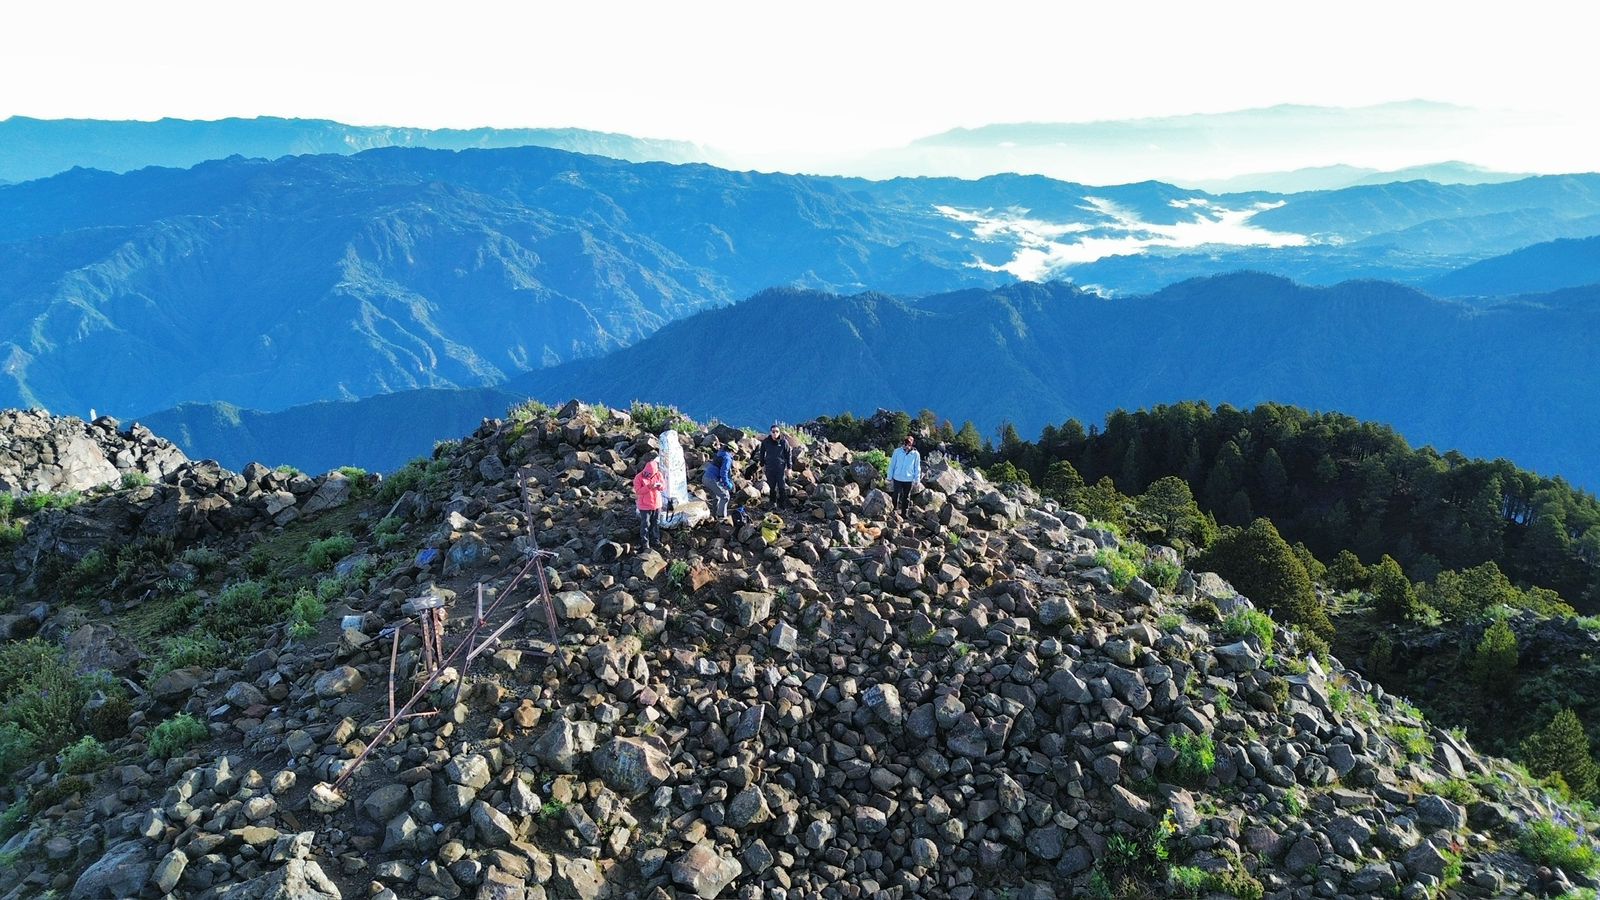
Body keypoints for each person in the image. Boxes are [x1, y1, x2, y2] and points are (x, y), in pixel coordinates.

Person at [633, 453, 666, 552]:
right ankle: (645, 543)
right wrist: (649, 487)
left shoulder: (658, 474)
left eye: (649, 474)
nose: (647, 475)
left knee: (656, 523)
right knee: (645, 524)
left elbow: (663, 487)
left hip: (656, 504)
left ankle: (655, 540)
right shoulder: (638, 477)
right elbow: (638, 491)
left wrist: (659, 486)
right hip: (644, 506)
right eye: (646, 473)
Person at [758, 424, 794, 509]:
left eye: (777, 431)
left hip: (780, 468)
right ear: (770, 432)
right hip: (769, 468)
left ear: (779, 432)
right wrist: (762, 465)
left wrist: (789, 468)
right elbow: (762, 453)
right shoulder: (766, 442)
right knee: (772, 487)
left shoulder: (783, 442)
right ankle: (772, 503)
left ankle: (782, 504)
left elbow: (788, 454)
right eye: (773, 431)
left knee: (781, 486)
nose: (775, 433)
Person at [889, 434, 922, 516]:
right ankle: (893, 510)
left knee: (906, 497)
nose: (906, 446)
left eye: (908, 444)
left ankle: (904, 513)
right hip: (897, 477)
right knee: (895, 495)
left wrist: (917, 480)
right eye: (905, 444)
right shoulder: (897, 451)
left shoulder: (915, 454)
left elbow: (917, 467)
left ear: (911, 444)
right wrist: (889, 476)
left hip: (908, 479)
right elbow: (892, 464)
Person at [702, 438, 735, 521]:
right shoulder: (727, 458)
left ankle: (713, 516)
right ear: (732, 450)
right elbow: (723, 473)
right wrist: (727, 484)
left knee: (717, 497)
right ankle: (722, 518)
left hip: (705, 477)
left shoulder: (720, 453)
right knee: (725, 496)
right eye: (734, 452)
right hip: (711, 479)